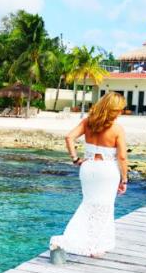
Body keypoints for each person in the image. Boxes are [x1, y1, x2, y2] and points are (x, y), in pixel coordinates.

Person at [50, 92, 129, 258]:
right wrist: (124, 179)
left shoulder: (88, 122)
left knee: (89, 204)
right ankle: (88, 245)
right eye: (120, 109)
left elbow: (69, 137)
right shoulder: (117, 129)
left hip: (87, 168)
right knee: (104, 207)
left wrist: (75, 159)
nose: (121, 112)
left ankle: (93, 243)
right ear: (114, 110)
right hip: (107, 171)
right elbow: (122, 157)